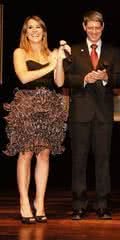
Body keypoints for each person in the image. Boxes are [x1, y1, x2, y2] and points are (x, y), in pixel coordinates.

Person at [3, 15, 69, 224]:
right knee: (26, 154)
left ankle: (39, 203)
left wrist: (58, 60)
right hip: (26, 105)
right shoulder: (19, 52)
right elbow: (24, 77)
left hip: (49, 106)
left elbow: (59, 82)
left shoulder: (51, 53)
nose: (34, 30)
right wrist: (50, 65)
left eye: (38, 27)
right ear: (25, 32)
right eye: (30, 27)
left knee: (44, 155)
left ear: (44, 31)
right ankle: (24, 202)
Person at [64, 10, 120, 220]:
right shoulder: (72, 50)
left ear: (103, 27)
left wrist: (107, 77)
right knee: (79, 161)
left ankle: (102, 204)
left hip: (103, 115)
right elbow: (64, 80)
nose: (94, 31)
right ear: (84, 27)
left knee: (103, 161)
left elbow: (119, 81)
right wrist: (84, 79)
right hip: (79, 114)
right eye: (90, 27)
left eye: (97, 27)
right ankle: (79, 204)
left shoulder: (113, 51)